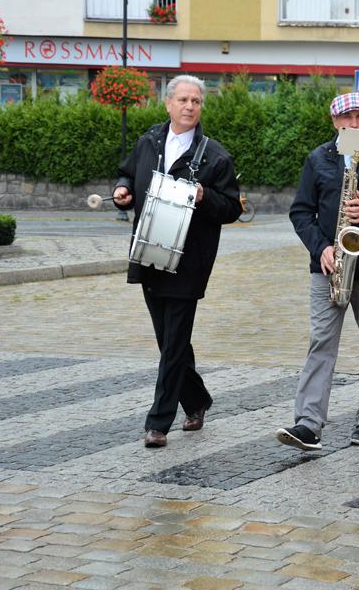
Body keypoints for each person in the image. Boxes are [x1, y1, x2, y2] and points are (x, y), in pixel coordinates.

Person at [276, 93, 359, 451]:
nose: (355, 124)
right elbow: (301, 212)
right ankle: (308, 423)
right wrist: (320, 247)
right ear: (334, 121)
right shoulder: (319, 158)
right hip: (329, 264)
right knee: (321, 342)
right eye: (347, 117)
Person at [112, 75, 242, 448]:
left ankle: (158, 423)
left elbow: (232, 207)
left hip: (188, 261)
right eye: (183, 100)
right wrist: (121, 191)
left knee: (173, 344)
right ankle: (197, 400)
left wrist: (204, 197)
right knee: (170, 341)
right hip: (149, 253)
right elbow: (127, 173)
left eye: (196, 101)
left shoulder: (215, 155)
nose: (189, 106)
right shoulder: (148, 141)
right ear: (168, 104)